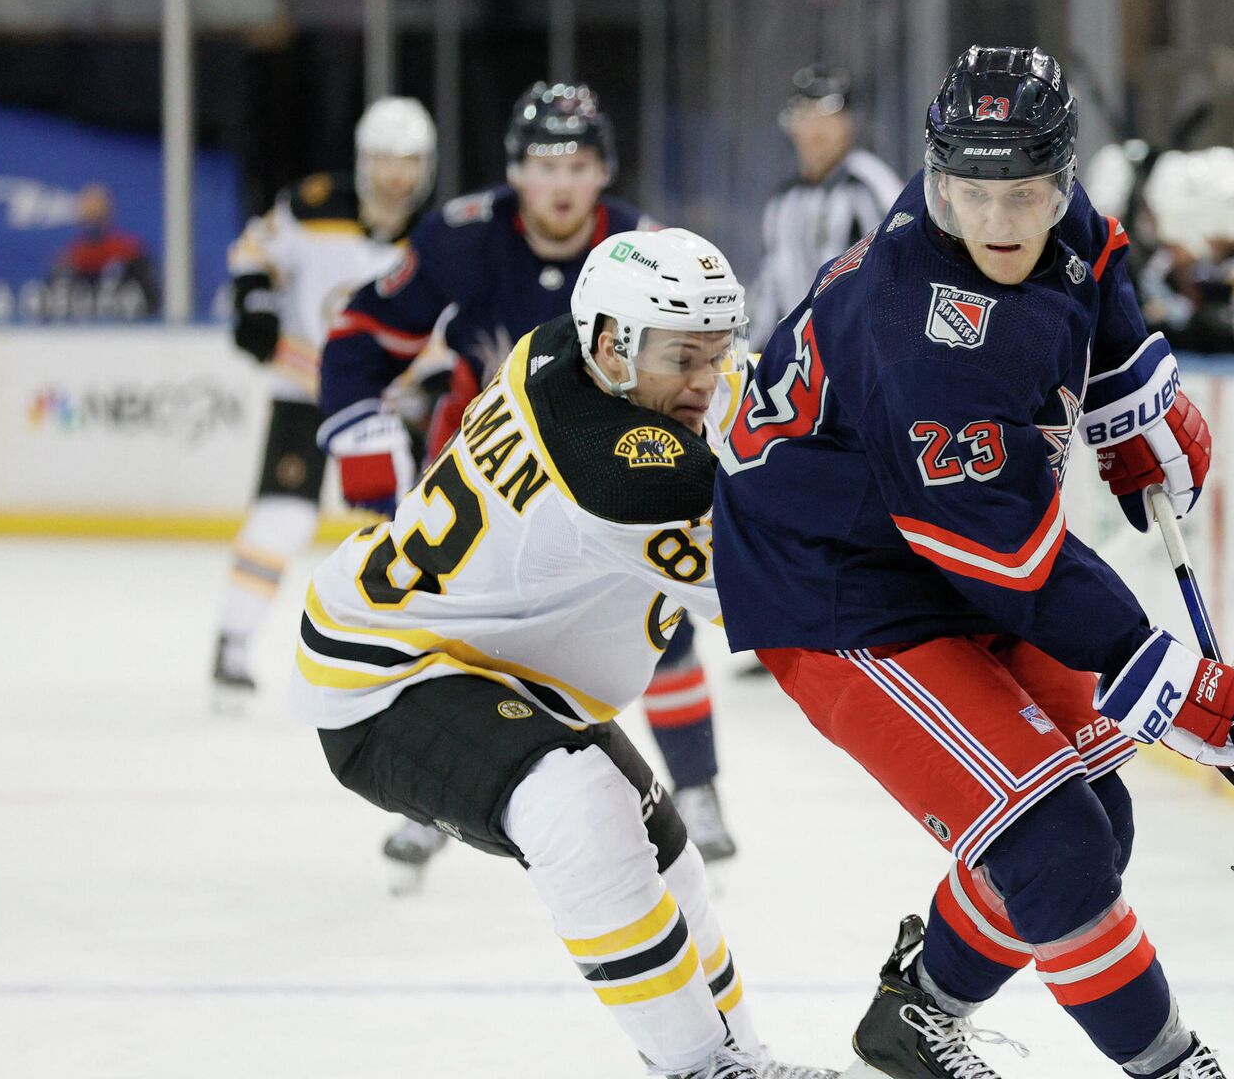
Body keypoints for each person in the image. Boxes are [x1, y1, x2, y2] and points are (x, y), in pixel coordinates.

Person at [712, 46, 1234, 1079]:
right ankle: (1177, 1069)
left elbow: (1097, 262)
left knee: (1094, 812)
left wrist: (1133, 405)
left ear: (1061, 178)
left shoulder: (1043, 211)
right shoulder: (917, 326)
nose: (998, 220)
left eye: (1024, 194)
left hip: (929, 549)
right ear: (939, 180)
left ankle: (918, 1013)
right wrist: (1163, 675)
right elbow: (999, 555)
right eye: (973, 194)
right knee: (1052, 847)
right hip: (837, 584)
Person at [294, 227, 834, 1079]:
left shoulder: (561, 348)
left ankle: (740, 1059)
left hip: (488, 656)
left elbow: (731, 416)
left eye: (716, 352)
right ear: (614, 344)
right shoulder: (623, 473)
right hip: (388, 674)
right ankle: (701, 1067)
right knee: (581, 811)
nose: (706, 381)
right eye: (683, 357)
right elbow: (807, 598)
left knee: (670, 863)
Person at [318, 81, 738, 888]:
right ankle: (434, 796)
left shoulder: (646, 246)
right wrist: (359, 432)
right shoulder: (462, 238)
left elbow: (708, 364)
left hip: (620, 470)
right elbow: (361, 333)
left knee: (664, 622)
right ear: (514, 173)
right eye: (543, 163)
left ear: (603, 171)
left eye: (578, 164)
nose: (561, 184)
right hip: (501, 483)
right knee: (468, 636)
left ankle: (701, 789)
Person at [213, 96, 436, 700]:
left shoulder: (440, 236)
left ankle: (416, 654)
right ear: (363, 162)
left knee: (416, 528)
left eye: (410, 161)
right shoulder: (312, 208)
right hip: (307, 393)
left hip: (387, 406)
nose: (397, 176)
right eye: (386, 160)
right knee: (283, 517)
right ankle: (232, 644)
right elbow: (253, 254)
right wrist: (255, 301)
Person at [752, 67, 903, 347]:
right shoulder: (782, 202)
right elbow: (771, 290)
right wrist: (758, 357)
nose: (817, 128)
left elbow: (897, 275)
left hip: (858, 357)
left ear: (849, 124)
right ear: (791, 125)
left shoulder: (870, 185)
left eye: (829, 115)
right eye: (805, 115)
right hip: (801, 360)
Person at [43, 183, 159, 319]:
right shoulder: (69, 258)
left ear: (108, 214)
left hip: (124, 328)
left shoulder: (130, 253)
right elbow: (51, 301)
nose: (93, 221)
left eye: (98, 214)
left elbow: (152, 299)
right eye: (89, 215)